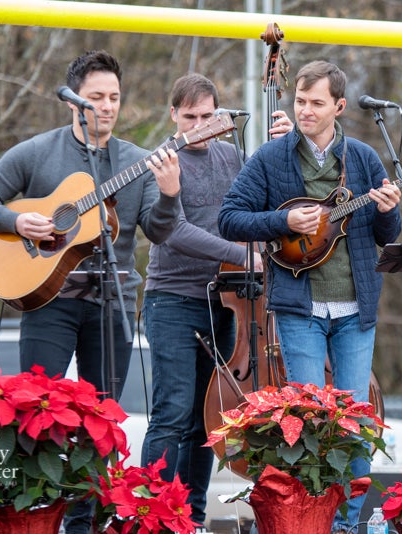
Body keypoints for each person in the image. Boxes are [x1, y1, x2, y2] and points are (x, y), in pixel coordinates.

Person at [0, 50, 182, 534]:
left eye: (114, 97)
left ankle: (87, 523)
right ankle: (30, 517)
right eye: (96, 97)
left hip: (113, 304)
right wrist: (17, 220)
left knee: (101, 426)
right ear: (72, 101)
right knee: (35, 418)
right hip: (48, 301)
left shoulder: (138, 163)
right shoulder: (38, 152)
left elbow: (160, 232)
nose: (106, 106)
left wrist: (169, 193)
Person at [218, 60, 402, 534]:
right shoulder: (271, 158)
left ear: (339, 107)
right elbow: (230, 218)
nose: (305, 110)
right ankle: (309, 520)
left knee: (356, 420)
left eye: (316, 103)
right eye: (300, 101)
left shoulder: (362, 159)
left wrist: (387, 211)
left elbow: (388, 233)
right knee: (309, 418)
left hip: (355, 309)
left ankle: (347, 523)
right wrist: (283, 222)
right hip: (299, 308)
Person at [139, 72, 292, 527]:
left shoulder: (232, 156)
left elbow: (258, 208)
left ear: (221, 115)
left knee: (208, 421)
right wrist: (244, 255)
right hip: (172, 298)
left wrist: (278, 149)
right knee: (172, 411)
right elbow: (174, 231)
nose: (200, 124)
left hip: (227, 303)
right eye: (190, 116)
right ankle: (154, 515)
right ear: (174, 115)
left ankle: (192, 516)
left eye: (208, 115)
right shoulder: (162, 160)